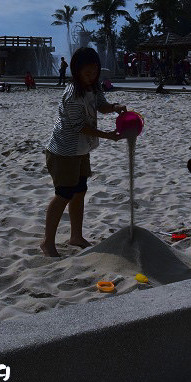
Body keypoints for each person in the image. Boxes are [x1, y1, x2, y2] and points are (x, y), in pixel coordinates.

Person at [40, 47, 133, 257]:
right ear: (77, 71)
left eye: (95, 71)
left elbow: (100, 105)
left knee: (80, 191)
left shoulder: (93, 86)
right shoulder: (72, 94)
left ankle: (76, 235)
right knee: (63, 194)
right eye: (87, 72)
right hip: (64, 151)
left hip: (81, 149)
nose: (92, 76)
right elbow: (79, 126)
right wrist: (108, 135)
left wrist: (115, 107)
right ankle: (47, 243)